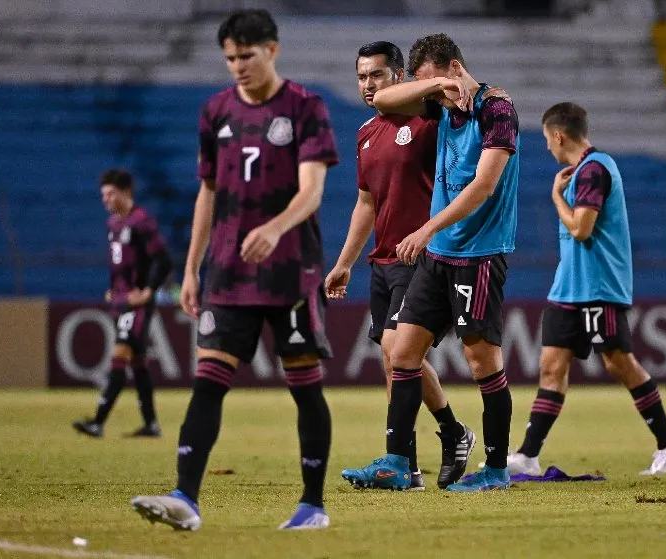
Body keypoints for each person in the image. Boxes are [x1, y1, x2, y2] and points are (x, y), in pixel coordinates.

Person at [131, 9, 339, 531]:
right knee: (208, 380)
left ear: (273, 50)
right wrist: (192, 268)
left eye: (247, 55)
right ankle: (185, 497)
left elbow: (312, 190)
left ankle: (312, 506)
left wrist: (275, 227)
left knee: (304, 386)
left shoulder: (306, 107)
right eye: (229, 58)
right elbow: (208, 191)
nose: (238, 66)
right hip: (226, 270)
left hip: (290, 269)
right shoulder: (215, 112)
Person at [341, 33, 520, 492]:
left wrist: (426, 229)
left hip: (478, 255)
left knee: (482, 363)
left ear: (455, 68)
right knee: (401, 354)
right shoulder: (441, 107)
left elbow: (482, 187)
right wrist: (428, 89)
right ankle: (398, 463)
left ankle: (496, 469)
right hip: (439, 257)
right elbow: (383, 98)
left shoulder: (496, 110)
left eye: (437, 82)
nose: (434, 95)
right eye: (426, 87)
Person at [506, 102, 666, 477]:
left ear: (559, 135)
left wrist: (555, 197)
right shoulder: (584, 172)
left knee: (618, 362)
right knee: (551, 366)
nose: (547, 147)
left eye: (546, 139)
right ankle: (527, 455)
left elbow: (581, 229)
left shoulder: (594, 171)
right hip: (568, 287)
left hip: (598, 287)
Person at [326, 41, 475, 491]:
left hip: (423, 256)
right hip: (383, 259)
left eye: (375, 75)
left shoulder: (428, 117)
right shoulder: (366, 133)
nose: (367, 85)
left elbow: (455, 94)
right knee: (394, 363)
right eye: (361, 77)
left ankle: (413, 454)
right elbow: (366, 203)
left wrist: (442, 82)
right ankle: (421, 456)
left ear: (397, 76)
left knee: (397, 351)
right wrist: (345, 262)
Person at [73, 169, 172, 439]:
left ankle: (98, 421)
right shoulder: (113, 224)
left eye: (110, 193)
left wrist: (148, 291)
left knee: (120, 354)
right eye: (103, 194)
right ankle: (151, 425)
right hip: (120, 301)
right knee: (138, 363)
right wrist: (112, 288)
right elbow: (118, 263)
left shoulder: (142, 222)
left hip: (136, 304)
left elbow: (163, 260)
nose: (105, 199)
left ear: (126, 192)